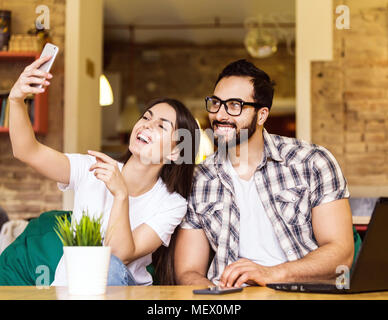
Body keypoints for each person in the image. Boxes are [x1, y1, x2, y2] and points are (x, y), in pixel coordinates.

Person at [8, 56, 199, 286]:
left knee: (107, 266)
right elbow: (28, 151)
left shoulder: (171, 204)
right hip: (70, 288)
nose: (147, 124)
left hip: (123, 288)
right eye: (146, 117)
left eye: (161, 126)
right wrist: (16, 99)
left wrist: (121, 194)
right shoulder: (91, 168)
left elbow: (119, 254)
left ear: (176, 153)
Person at [174, 59, 354, 288]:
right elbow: (188, 271)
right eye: (216, 103)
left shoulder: (311, 162)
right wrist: (215, 296)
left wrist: (271, 274)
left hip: (300, 293)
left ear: (261, 115)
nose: (220, 115)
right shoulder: (199, 178)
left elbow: (341, 255)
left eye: (234, 105)